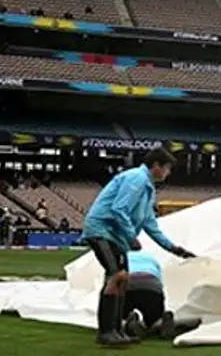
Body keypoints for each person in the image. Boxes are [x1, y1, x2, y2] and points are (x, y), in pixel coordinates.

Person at [81, 148, 196, 348]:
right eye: (167, 168)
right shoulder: (137, 179)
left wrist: (173, 248)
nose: (168, 173)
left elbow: (150, 224)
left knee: (121, 279)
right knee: (117, 275)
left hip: (115, 236)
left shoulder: (147, 189)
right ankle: (107, 332)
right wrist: (130, 236)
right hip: (102, 231)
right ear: (157, 166)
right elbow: (119, 208)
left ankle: (115, 330)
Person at [121, 249, 182, 340]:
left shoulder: (122, 256)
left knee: (122, 315)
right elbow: (159, 280)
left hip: (128, 282)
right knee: (153, 319)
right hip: (152, 283)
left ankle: (130, 321)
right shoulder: (151, 258)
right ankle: (161, 321)